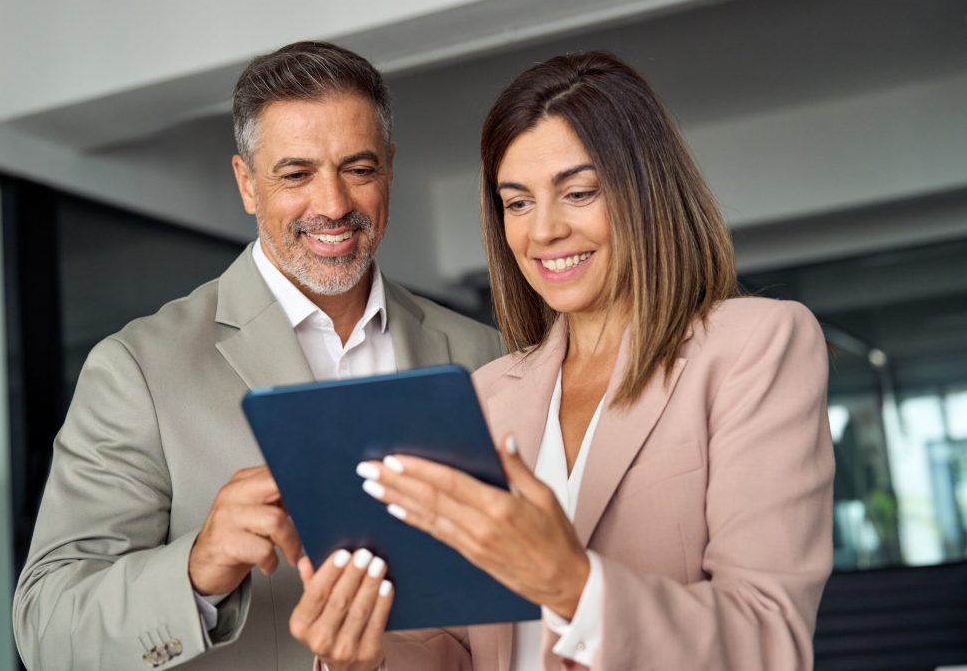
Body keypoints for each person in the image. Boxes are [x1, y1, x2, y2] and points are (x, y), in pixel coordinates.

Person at [295, 51, 835, 670]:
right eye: (517, 203)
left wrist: (572, 584)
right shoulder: (489, 390)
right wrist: (362, 659)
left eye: (578, 192)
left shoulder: (755, 346)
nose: (543, 230)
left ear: (647, 193)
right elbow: (462, 650)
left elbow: (768, 641)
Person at [11, 41, 505, 671]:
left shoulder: (482, 353)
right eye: (296, 174)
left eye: (358, 168)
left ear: (390, 169)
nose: (331, 205)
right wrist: (196, 570)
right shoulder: (137, 369)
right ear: (247, 182)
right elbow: (46, 628)